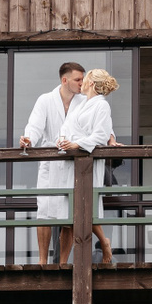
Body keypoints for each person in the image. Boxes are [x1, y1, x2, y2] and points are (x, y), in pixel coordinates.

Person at [56, 68, 122, 264]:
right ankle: (62, 263)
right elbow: (66, 127)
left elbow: (101, 134)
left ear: (91, 83)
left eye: (84, 79)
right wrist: (61, 140)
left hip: (88, 163)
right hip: (71, 163)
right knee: (67, 215)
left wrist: (77, 144)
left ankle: (104, 242)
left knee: (85, 208)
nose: (81, 82)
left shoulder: (101, 105)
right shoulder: (81, 104)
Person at [21, 61, 84, 264]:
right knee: (44, 212)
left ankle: (63, 262)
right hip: (50, 163)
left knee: (69, 214)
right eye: (78, 79)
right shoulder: (45, 100)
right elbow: (34, 126)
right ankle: (42, 262)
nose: (82, 83)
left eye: (83, 79)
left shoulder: (84, 102)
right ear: (65, 80)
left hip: (72, 163)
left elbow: (99, 124)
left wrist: (110, 138)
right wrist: (28, 139)